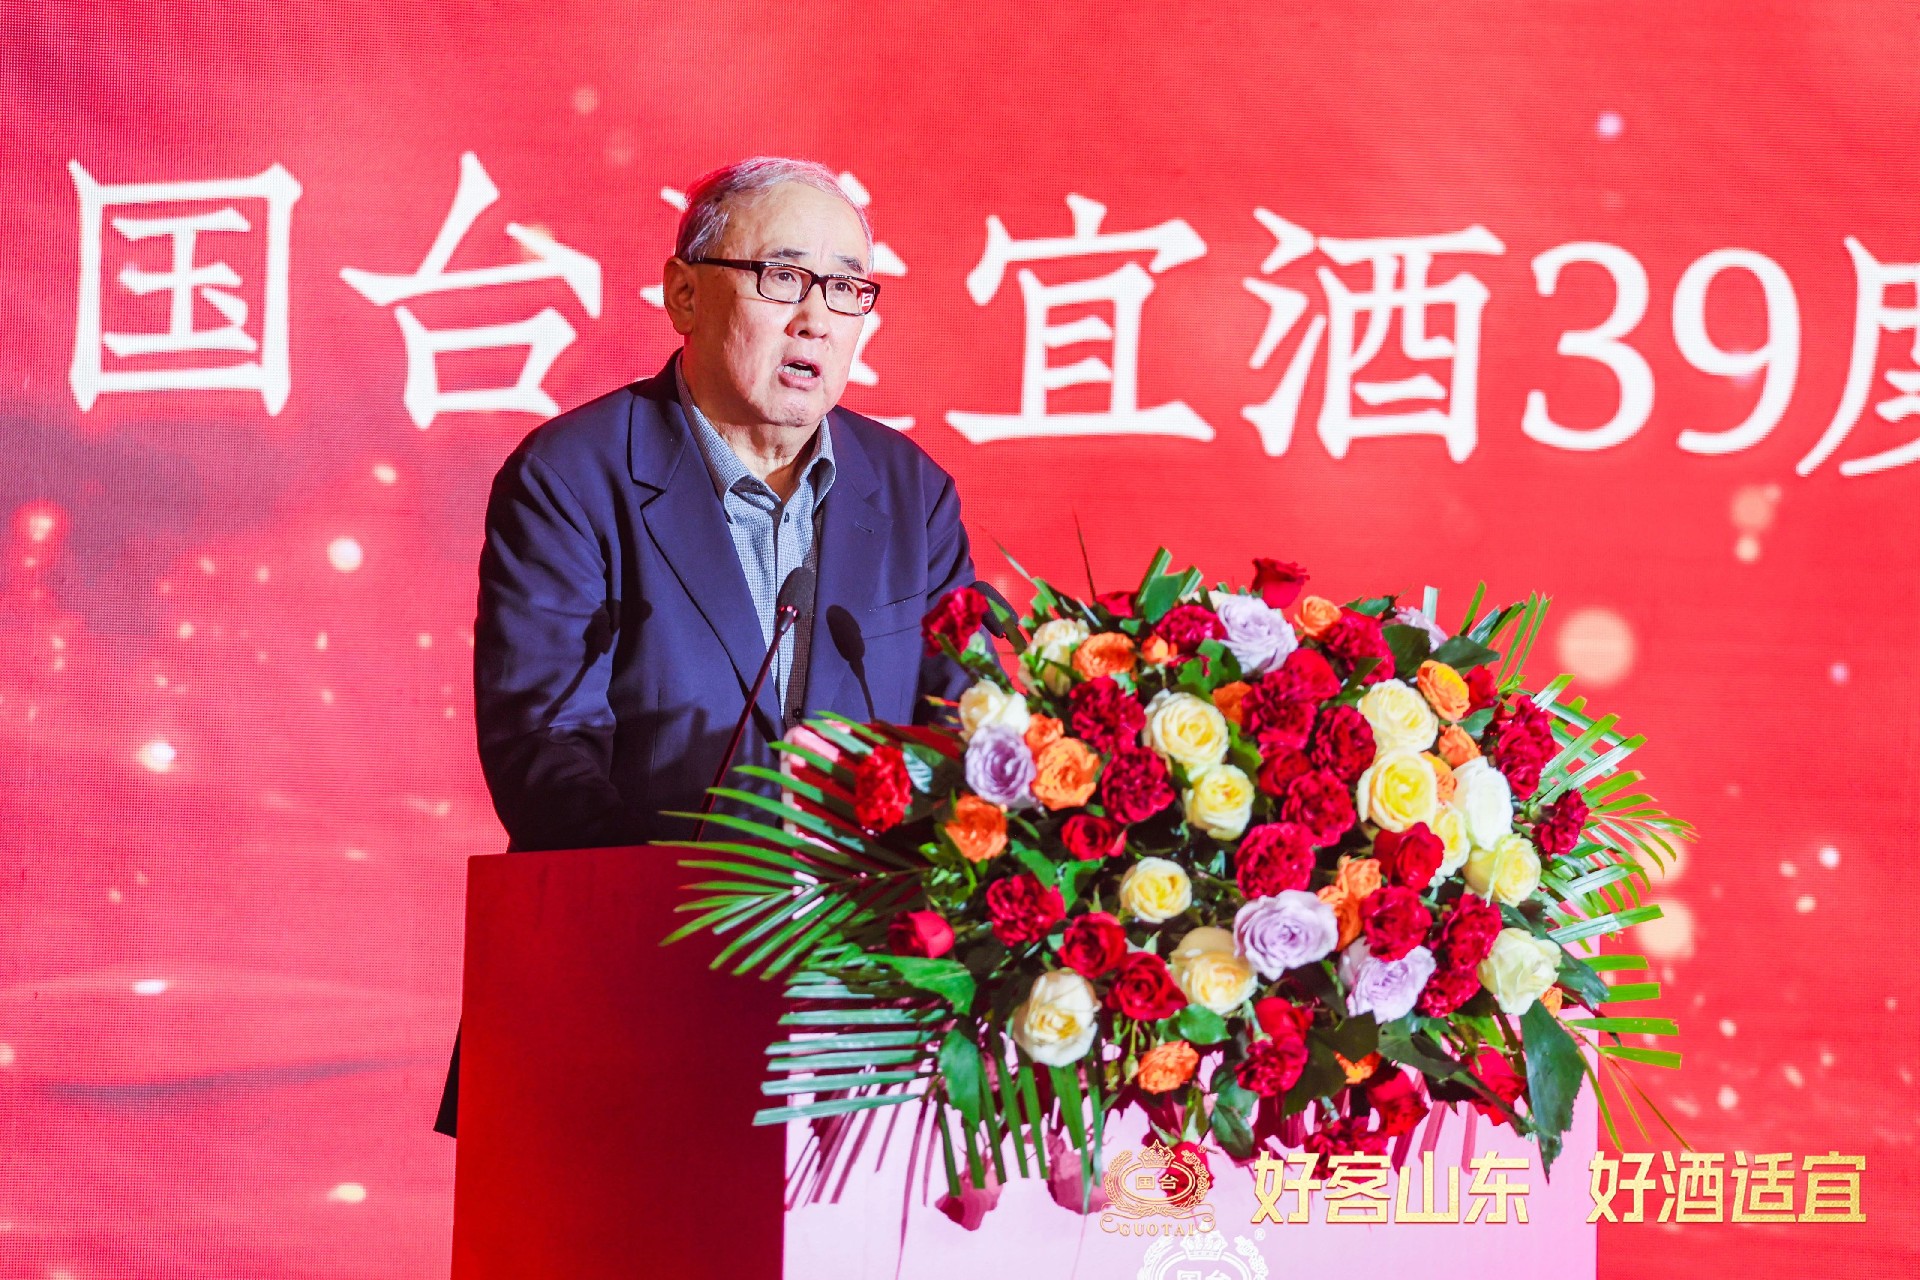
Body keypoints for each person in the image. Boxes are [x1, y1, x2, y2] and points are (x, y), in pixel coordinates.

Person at [434, 157, 981, 1137]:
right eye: (784, 277)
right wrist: (695, 919)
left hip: (866, 1024)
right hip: (623, 1004)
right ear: (683, 293)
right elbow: (543, 748)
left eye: (847, 288)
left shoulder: (910, 492)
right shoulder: (573, 476)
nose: (816, 318)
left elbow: (965, 730)